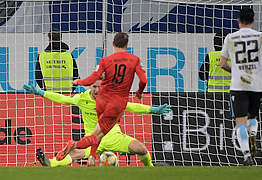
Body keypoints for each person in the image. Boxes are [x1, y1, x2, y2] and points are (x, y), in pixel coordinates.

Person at [23, 79, 170, 167]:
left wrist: (154, 110)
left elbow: (131, 106)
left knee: (142, 149)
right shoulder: (81, 98)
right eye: (94, 86)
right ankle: (50, 163)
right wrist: (41, 93)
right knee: (76, 154)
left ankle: (150, 168)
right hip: (93, 138)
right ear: (89, 87)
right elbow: (63, 98)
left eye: (101, 87)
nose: (97, 90)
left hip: (113, 136)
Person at [55, 32, 147, 166]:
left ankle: (91, 155)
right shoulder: (134, 60)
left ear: (113, 44)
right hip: (116, 103)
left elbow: (92, 79)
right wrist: (139, 92)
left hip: (102, 101)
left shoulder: (105, 61)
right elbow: (143, 80)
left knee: (97, 133)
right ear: (127, 45)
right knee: (97, 135)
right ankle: (75, 144)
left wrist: (79, 82)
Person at [219, 8, 262, 165]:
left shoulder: (230, 37)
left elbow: (222, 63)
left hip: (238, 85)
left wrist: (235, 71)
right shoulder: (261, 36)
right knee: (253, 117)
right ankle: (253, 132)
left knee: (240, 122)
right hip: (257, 85)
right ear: (253, 21)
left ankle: (247, 154)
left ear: (238, 20)